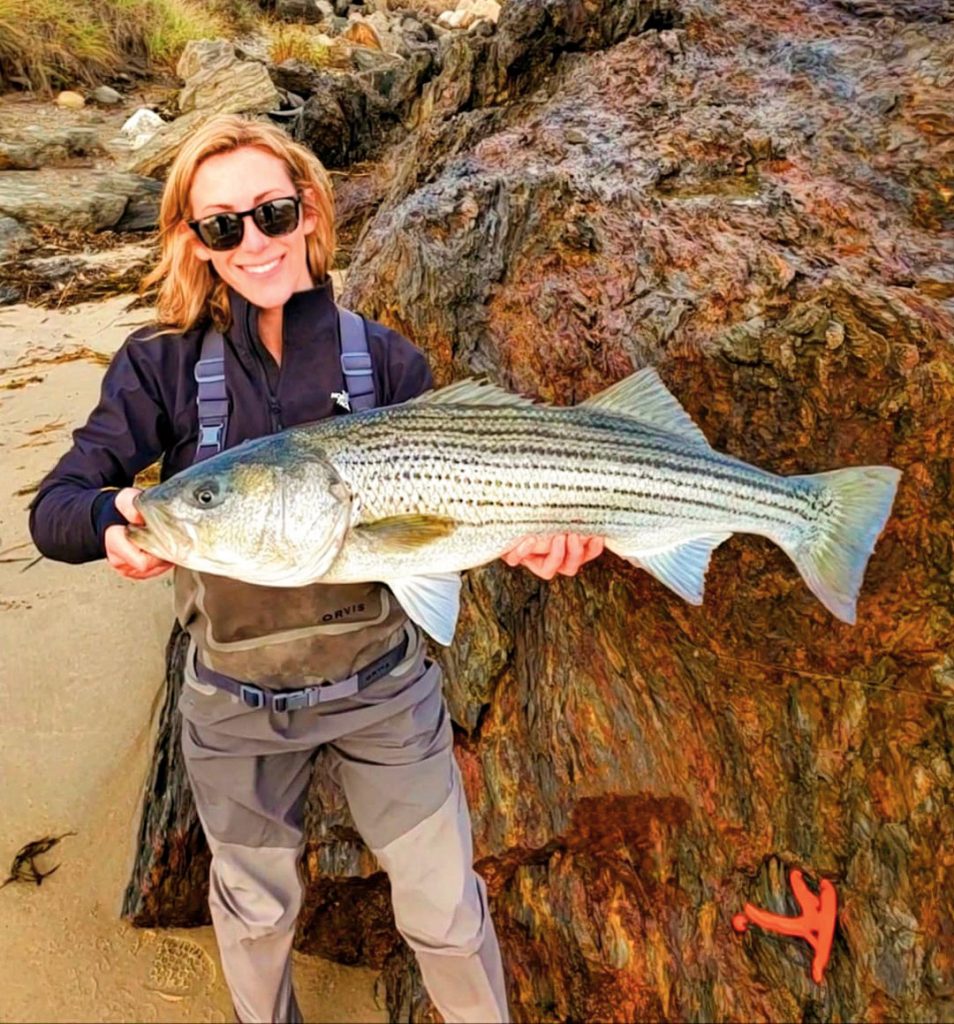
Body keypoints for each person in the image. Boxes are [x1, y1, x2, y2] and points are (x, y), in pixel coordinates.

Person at [28, 114, 604, 1024]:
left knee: (448, 913)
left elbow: (473, 506)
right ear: (193, 239)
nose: (252, 240)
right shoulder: (161, 368)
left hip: (384, 691)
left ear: (308, 213)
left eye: (271, 212)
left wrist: (538, 537)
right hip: (233, 705)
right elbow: (53, 510)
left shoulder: (384, 361)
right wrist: (115, 518)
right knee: (255, 916)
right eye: (222, 225)